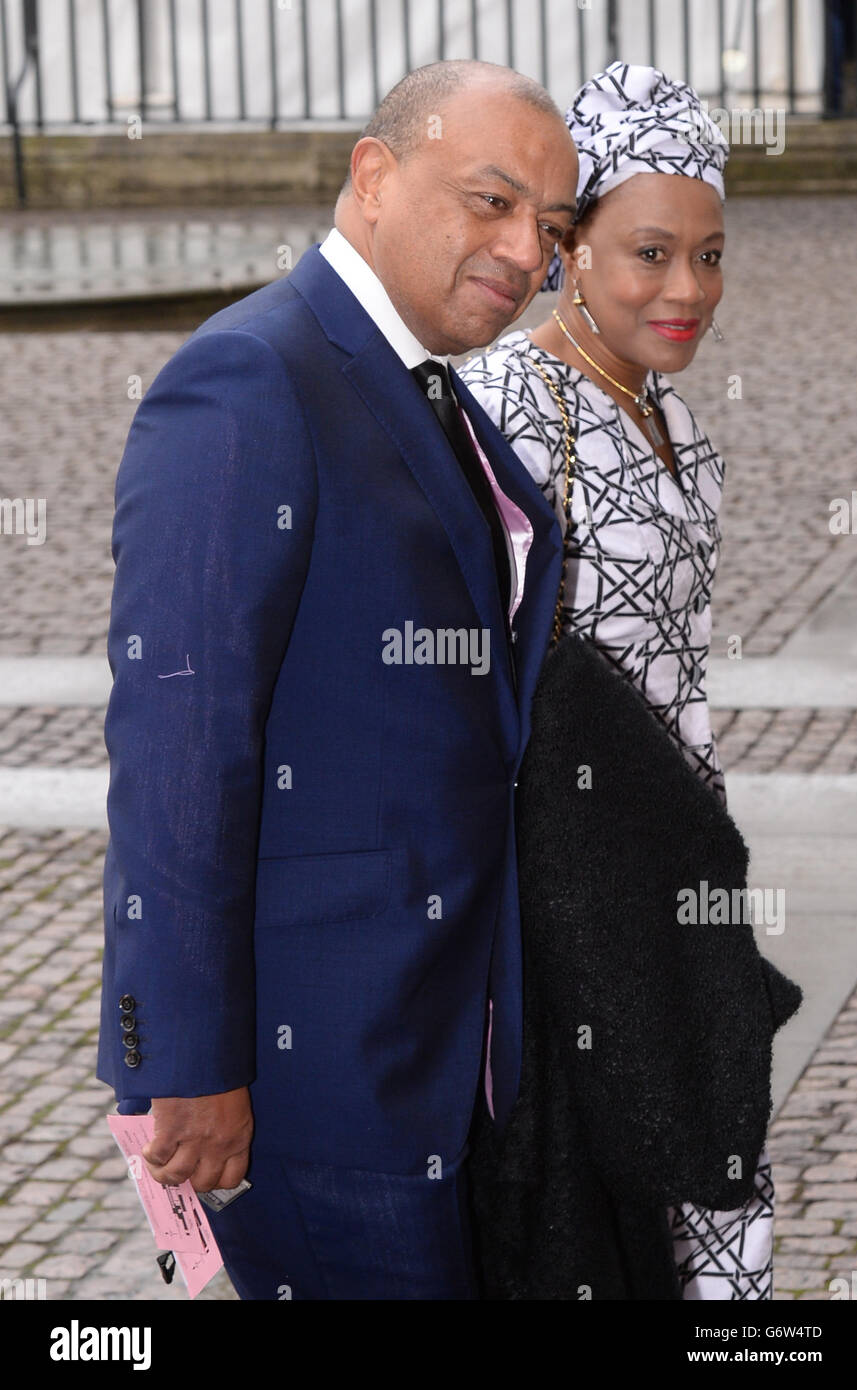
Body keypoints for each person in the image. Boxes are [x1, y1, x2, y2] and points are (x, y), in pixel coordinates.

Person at [96, 59, 580, 1300]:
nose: (526, 250)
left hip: (436, 1038)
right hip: (307, 1070)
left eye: (552, 227)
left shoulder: (412, 374)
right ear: (374, 175)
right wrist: (185, 1060)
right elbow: (178, 748)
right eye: (491, 201)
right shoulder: (249, 379)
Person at [459, 62, 776, 1299]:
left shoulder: (677, 428)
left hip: (680, 870)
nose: (687, 288)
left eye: (707, 254)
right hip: (568, 902)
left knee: (712, 1192)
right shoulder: (504, 408)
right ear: (569, 247)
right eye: (648, 251)